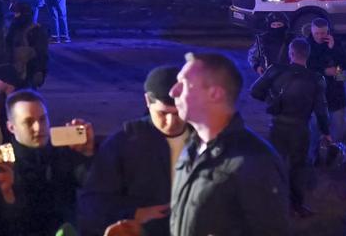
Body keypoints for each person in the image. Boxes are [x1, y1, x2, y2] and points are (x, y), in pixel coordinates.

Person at [168, 51, 288, 236]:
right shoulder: (192, 149)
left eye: (183, 84)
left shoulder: (254, 161)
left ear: (215, 93)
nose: (173, 91)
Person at [78, 66, 188, 236]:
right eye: (163, 113)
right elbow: (92, 202)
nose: (171, 122)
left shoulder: (206, 139)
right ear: (147, 101)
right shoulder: (125, 142)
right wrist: (134, 213)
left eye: (178, 113)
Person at [249, 38, 330, 217]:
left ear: (291, 53)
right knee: (298, 168)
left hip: (277, 126)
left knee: (275, 164)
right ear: (307, 55)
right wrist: (326, 132)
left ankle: (272, 203)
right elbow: (321, 110)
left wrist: (272, 100)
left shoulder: (275, 71)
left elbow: (254, 91)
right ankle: (297, 205)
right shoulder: (316, 79)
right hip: (301, 129)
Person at [4, 89, 95, 235]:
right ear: (11, 127)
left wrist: (87, 154)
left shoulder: (63, 152)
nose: (38, 128)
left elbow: (92, 187)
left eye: (42, 119)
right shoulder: (4, 163)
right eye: (28, 122)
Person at [306, 17, 346, 146]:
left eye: (323, 33)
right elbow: (306, 66)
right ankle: (314, 154)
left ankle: (335, 153)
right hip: (315, 93)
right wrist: (325, 71)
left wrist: (333, 48)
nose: (320, 36)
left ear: (328, 32)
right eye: (317, 33)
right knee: (314, 126)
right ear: (312, 31)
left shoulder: (335, 43)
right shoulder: (307, 45)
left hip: (336, 92)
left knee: (338, 125)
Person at [5, 1, 50, 89]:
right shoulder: (14, 28)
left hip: (28, 70)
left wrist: (40, 70)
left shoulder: (35, 30)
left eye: (17, 13)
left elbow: (41, 53)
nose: (15, 16)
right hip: (19, 70)